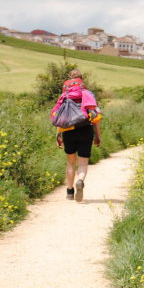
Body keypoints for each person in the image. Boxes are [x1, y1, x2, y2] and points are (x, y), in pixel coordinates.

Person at [54, 69, 102, 202]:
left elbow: (60, 117)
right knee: (83, 163)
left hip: (68, 131)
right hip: (86, 130)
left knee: (70, 162)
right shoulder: (88, 94)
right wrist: (97, 135)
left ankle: (70, 192)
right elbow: (95, 117)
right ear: (82, 80)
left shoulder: (65, 96)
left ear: (69, 80)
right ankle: (80, 180)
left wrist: (58, 134)